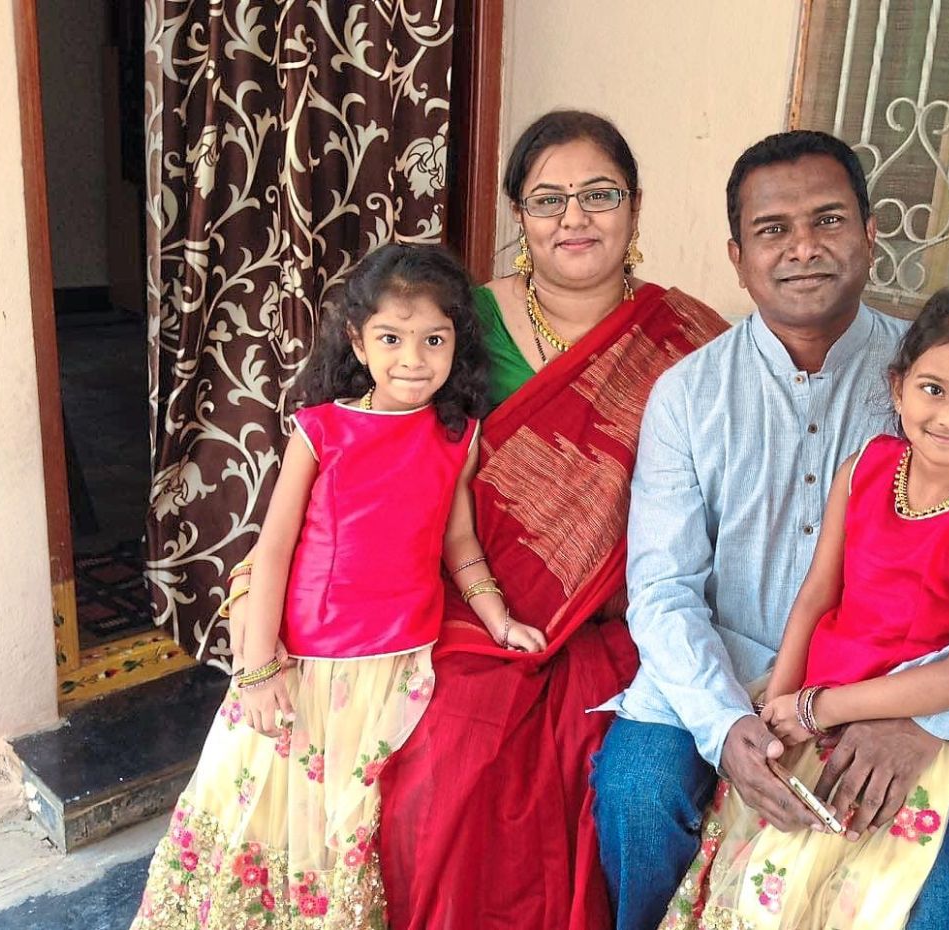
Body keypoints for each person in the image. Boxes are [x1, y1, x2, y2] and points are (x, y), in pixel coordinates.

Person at [590, 130, 949, 930]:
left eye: (828, 220)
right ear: (738, 257)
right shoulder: (689, 395)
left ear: (869, 236)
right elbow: (661, 587)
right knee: (634, 796)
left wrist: (923, 718)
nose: (803, 247)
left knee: (927, 914)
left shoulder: (944, 377)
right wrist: (724, 723)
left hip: (882, 693)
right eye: (773, 229)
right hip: (722, 669)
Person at [227, 110, 728, 928]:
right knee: (441, 759)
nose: (574, 216)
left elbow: (727, 503)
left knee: (588, 768)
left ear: (635, 206)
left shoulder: (690, 339)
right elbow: (353, 482)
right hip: (448, 609)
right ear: (520, 216)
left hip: (619, 617)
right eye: (548, 199)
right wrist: (258, 611)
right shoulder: (457, 326)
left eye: (599, 194)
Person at [131, 244, 550, 929]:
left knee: (345, 831)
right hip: (304, 669)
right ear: (357, 341)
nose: (413, 359)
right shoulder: (321, 430)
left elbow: (459, 543)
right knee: (267, 817)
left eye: (434, 340)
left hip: (394, 668)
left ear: (457, 343)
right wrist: (258, 669)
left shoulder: (459, 437)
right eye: (391, 338)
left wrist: (499, 618)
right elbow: (272, 551)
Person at [661, 288, 949, 928]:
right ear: (898, 388)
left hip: (912, 719)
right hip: (817, 697)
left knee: (834, 899)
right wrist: (781, 704)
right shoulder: (865, 469)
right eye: (933, 389)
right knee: (746, 875)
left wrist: (820, 709)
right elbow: (817, 595)